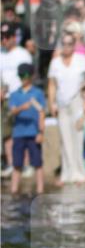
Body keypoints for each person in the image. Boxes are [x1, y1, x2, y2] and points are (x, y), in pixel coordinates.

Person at [47, 33, 85, 185]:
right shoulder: (55, 62)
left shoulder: (81, 60)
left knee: (79, 136)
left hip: (77, 100)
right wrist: (51, 103)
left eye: (69, 43)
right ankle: (67, 173)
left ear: (74, 45)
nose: (66, 46)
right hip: (62, 102)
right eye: (64, 43)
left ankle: (80, 173)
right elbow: (52, 84)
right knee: (65, 137)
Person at [8, 63, 46, 195]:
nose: (23, 78)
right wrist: (21, 108)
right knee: (17, 164)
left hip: (33, 132)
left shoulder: (38, 93)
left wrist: (41, 132)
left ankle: (40, 190)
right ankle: (14, 190)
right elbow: (12, 112)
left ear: (31, 76)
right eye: (21, 75)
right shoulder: (14, 94)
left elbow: (42, 113)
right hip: (18, 133)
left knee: (37, 163)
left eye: (25, 75)